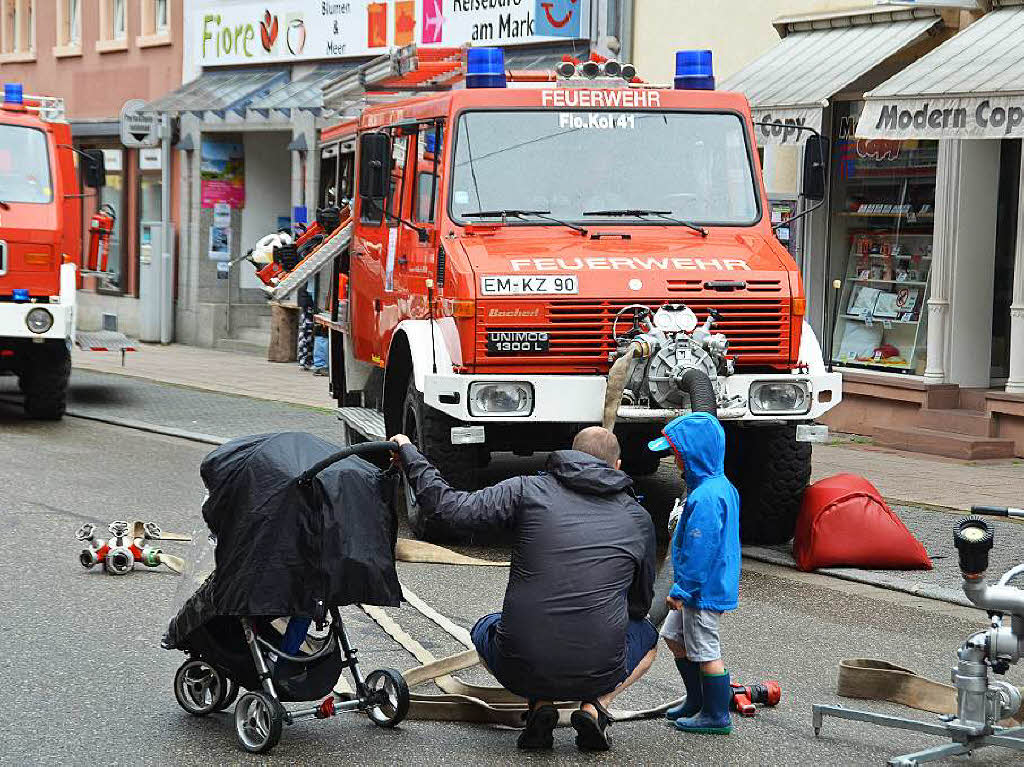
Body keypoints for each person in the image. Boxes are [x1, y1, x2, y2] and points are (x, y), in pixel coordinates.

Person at [391, 426, 657, 752]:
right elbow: (639, 606)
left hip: (522, 661)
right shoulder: (638, 518)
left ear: (568, 455)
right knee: (647, 638)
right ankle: (596, 707)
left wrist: (409, 454)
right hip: (599, 668)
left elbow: (450, 510)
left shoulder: (525, 490)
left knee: (486, 627)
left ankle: (540, 705)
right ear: (617, 467)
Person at [648, 412, 740, 735]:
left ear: (693, 454)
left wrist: (682, 590)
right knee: (674, 636)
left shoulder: (705, 498)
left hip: (701, 590)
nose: (675, 461)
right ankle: (696, 700)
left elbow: (701, 552)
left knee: (705, 650)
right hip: (700, 586)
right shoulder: (718, 487)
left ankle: (716, 714)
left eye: (677, 454)